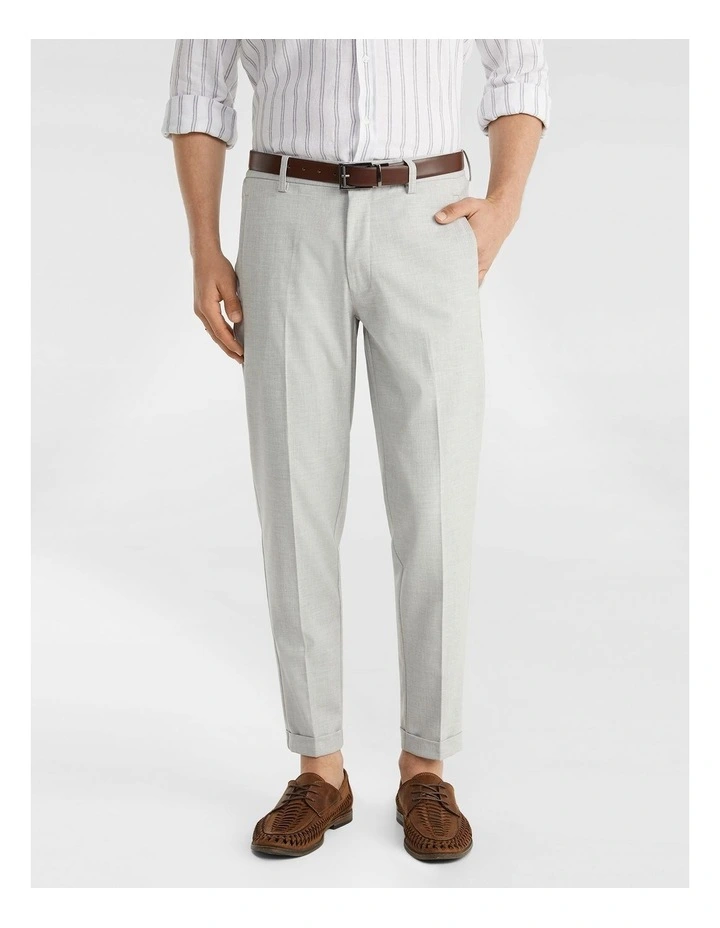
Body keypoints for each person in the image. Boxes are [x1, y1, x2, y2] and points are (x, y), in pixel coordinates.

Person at [163, 39, 549, 862]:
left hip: (428, 211)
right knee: (294, 502)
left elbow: (519, 61)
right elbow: (200, 85)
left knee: (437, 503)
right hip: (285, 210)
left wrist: (506, 201)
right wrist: (203, 245)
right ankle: (320, 768)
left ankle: (426, 768)